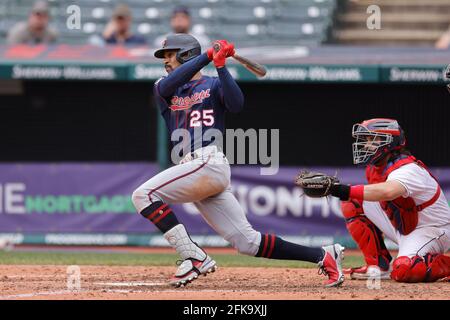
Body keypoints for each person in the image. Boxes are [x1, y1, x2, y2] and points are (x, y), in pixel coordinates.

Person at [131, 33, 345, 288]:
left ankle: (193, 256)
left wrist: (220, 66)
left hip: (208, 162)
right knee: (247, 242)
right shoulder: (164, 87)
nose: (165, 60)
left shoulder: (212, 85)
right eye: (164, 56)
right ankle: (323, 255)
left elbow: (236, 104)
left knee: (143, 195)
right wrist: (208, 56)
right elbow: (169, 84)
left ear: (185, 54)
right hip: (194, 170)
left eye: (170, 54)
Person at [312, 118, 450, 282]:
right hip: (404, 224)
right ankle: (378, 266)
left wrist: (340, 190)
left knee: (404, 270)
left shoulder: (408, 168)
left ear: (389, 142)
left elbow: (388, 192)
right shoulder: (376, 168)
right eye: (366, 140)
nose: (366, 145)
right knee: (353, 201)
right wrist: (345, 193)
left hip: (432, 230)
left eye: (372, 139)